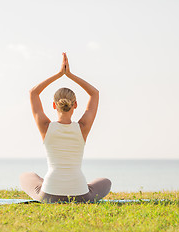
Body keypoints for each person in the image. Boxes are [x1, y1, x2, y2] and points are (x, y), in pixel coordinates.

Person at [20, 52, 111, 203]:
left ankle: (50, 184)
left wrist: (59, 74)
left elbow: (33, 93)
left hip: (49, 194)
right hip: (81, 194)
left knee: (25, 176)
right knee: (105, 181)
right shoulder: (82, 127)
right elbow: (94, 94)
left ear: (54, 105)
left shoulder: (45, 127)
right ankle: (77, 184)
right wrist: (69, 75)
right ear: (75, 104)